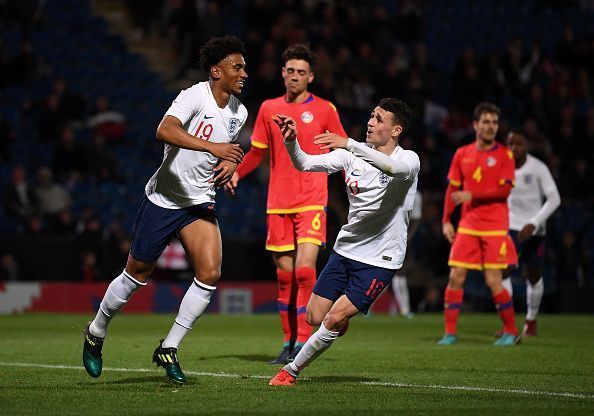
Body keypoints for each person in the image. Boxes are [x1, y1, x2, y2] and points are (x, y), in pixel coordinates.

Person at [82, 35, 248, 384]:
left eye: (244, 66)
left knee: (210, 272)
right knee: (135, 276)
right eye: (237, 67)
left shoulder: (239, 111)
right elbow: (164, 130)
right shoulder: (193, 95)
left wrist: (231, 166)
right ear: (216, 71)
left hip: (198, 200)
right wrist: (214, 147)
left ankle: (169, 348)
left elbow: (230, 150)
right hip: (165, 198)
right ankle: (96, 331)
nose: (244, 72)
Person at [268, 98, 420, 386]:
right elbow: (304, 163)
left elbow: (393, 170)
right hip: (346, 249)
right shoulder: (351, 157)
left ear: (396, 129)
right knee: (314, 316)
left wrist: (349, 143)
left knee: (331, 317)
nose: (370, 122)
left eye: (378, 119)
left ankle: (290, 372)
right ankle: (339, 321)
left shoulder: (408, 159)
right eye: (371, 116)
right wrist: (291, 141)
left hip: (380, 259)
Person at [225, 44, 347, 364]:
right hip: (278, 202)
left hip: (311, 200)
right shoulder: (268, 108)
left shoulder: (325, 110)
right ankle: (287, 340)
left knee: (306, 271)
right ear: (282, 73)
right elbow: (257, 152)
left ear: (311, 77)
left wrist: (352, 182)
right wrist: (237, 173)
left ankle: (303, 343)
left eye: (301, 72)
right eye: (290, 71)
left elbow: (344, 149)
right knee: (285, 277)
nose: (294, 76)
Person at [438, 102, 520, 346]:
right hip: (468, 225)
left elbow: (504, 191)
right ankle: (450, 333)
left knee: (493, 281)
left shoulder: (505, 155)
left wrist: (471, 195)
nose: (490, 127)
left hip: (495, 226)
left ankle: (511, 331)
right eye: (485, 121)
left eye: (494, 122)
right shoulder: (462, 154)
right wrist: (446, 221)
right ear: (475, 125)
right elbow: (452, 189)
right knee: (456, 277)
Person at [503, 130, 560, 336]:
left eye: (518, 144)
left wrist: (534, 223)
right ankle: (508, 324)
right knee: (503, 270)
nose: (514, 148)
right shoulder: (503, 166)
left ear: (525, 145)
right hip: (510, 228)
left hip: (535, 230)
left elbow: (554, 199)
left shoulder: (538, 168)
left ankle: (531, 321)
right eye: (510, 144)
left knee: (534, 276)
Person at [391, 190, 422, 319]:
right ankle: (404, 309)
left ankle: (405, 308)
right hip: (386, 235)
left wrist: (407, 237)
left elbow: (416, 218)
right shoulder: (391, 187)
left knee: (399, 273)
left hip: (402, 237)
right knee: (391, 272)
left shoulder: (416, 195)